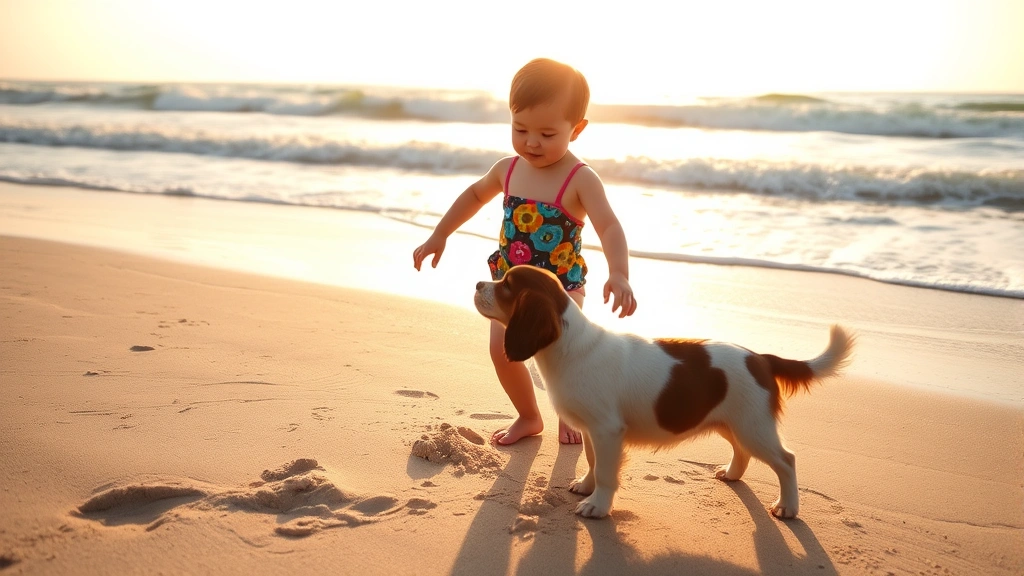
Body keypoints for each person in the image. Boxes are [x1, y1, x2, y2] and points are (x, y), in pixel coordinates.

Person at [412, 58, 637, 445]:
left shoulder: (580, 178)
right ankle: (529, 416)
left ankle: (571, 413)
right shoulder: (508, 169)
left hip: (561, 290)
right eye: (520, 129)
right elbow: (474, 195)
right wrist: (440, 234)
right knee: (502, 351)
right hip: (510, 289)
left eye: (547, 133)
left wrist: (619, 273)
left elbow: (610, 226)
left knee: (566, 356)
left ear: (577, 129)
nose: (532, 142)